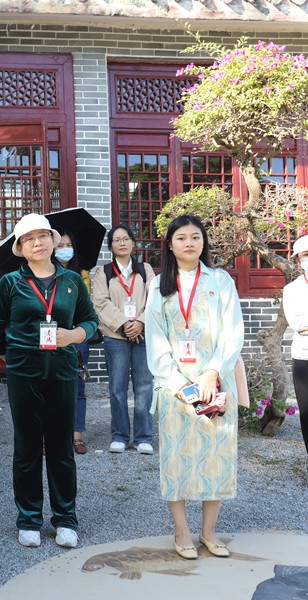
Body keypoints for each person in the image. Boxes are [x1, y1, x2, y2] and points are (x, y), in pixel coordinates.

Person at [0, 213, 98, 549]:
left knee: (62, 448)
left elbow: (90, 320)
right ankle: (29, 518)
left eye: (43, 236)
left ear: (53, 240)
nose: (38, 243)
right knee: (27, 448)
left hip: (62, 371)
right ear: (20, 247)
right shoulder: (10, 283)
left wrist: (73, 335)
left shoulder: (71, 280)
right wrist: (10, 354)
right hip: (24, 373)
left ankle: (65, 519)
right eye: (29, 238)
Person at [143, 214, 243, 560]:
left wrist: (212, 372)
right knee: (176, 459)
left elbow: (233, 330)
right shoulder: (159, 285)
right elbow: (155, 337)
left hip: (216, 383)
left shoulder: (220, 280)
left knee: (217, 456)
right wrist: (178, 383)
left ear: (204, 242)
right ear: (170, 245)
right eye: (182, 238)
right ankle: (181, 530)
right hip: (175, 387)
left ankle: (209, 530)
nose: (189, 243)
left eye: (195, 237)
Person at [91, 225, 156, 454]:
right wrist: (125, 324)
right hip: (115, 336)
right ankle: (119, 435)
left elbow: (154, 298)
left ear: (133, 243)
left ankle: (143, 437)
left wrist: (140, 322)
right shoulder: (103, 272)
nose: (122, 243)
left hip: (143, 334)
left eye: (126, 238)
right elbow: (100, 302)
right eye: (117, 240)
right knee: (117, 388)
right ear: (111, 246)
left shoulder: (145, 269)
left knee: (145, 386)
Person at [54, 229, 92, 454]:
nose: (64, 249)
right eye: (60, 245)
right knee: (50, 386)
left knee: (78, 386)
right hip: (51, 334)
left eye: (68, 245)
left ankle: (77, 435)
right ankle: (51, 435)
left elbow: (83, 305)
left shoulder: (82, 274)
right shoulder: (45, 274)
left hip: (76, 335)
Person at [283, 234, 308, 457]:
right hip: (304, 357)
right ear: (298, 260)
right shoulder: (291, 290)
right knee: (307, 414)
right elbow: (299, 325)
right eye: (306, 255)